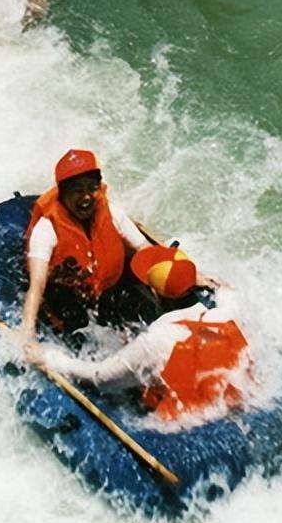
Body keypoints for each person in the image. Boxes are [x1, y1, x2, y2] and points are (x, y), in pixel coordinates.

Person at [25, 246, 253, 422]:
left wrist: (49, 357)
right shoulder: (228, 311)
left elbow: (99, 378)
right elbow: (227, 292)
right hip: (228, 400)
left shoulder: (156, 340)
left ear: (155, 294)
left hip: (184, 421)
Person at [20, 149, 156, 347]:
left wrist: (186, 274)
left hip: (107, 292)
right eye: (77, 191)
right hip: (68, 297)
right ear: (62, 194)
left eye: (91, 188)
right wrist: (27, 330)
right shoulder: (47, 229)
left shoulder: (112, 213)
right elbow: (37, 284)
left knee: (135, 298)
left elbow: (145, 248)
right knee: (76, 323)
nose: (86, 198)